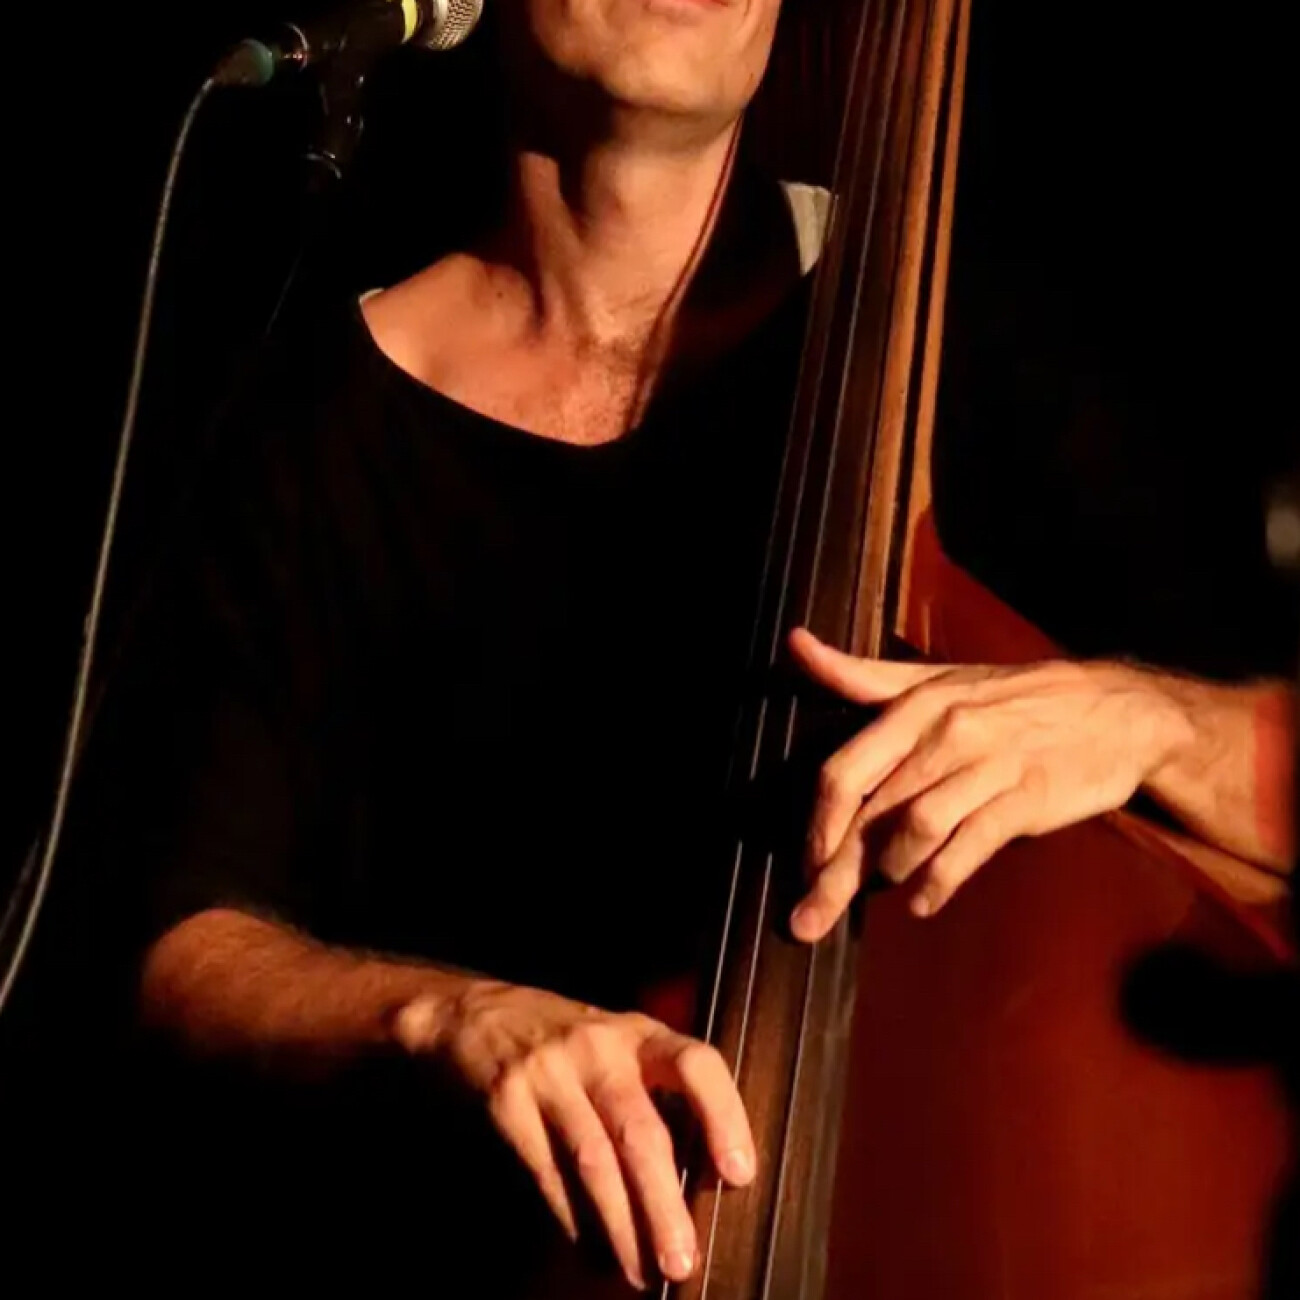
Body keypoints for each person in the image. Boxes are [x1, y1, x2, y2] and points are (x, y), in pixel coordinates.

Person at [60, 0, 1294, 1292]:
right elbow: (168, 943)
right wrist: (444, 1019)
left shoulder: (977, 343)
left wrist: (1159, 721)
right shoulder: (306, 426)